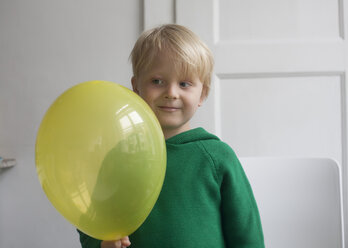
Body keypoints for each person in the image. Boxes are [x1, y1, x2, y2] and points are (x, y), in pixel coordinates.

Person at [78, 24, 265, 248]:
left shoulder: (217, 157)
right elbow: (91, 225)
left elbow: (246, 234)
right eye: (157, 81)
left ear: (202, 94)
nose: (171, 93)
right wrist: (101, 244)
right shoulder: (117, 158)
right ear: (136, 87)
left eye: (184, 84)